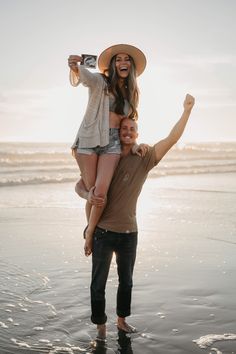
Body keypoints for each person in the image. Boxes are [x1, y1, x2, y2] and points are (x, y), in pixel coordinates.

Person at [76, 94, 195, 341]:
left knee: (126, 282)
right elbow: (79, 186)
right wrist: (88, 195)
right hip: (103, 232)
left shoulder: (145, 157)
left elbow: (171, 139)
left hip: (130, 233)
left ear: (137, 134)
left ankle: (121, 321)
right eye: (124, 129)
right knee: (97, 284)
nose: (128, 132)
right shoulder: (106, 158)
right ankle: (100, 326)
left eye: (132, 129)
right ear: (117, 133)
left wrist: (186, 111)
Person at [68, 44, 147, 256]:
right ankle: (92, 231)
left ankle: (91, 231)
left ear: (130, 66)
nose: (123, 62)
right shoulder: (101, 82)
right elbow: (87, 78)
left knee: (101, 193)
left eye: (127, 59)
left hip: (113, 142)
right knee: (91, 191)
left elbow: (128, 124)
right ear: (113, 64)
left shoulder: (132, 94)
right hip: (89, 139)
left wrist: (135, 144)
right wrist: (75, 67)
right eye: (119, 59)